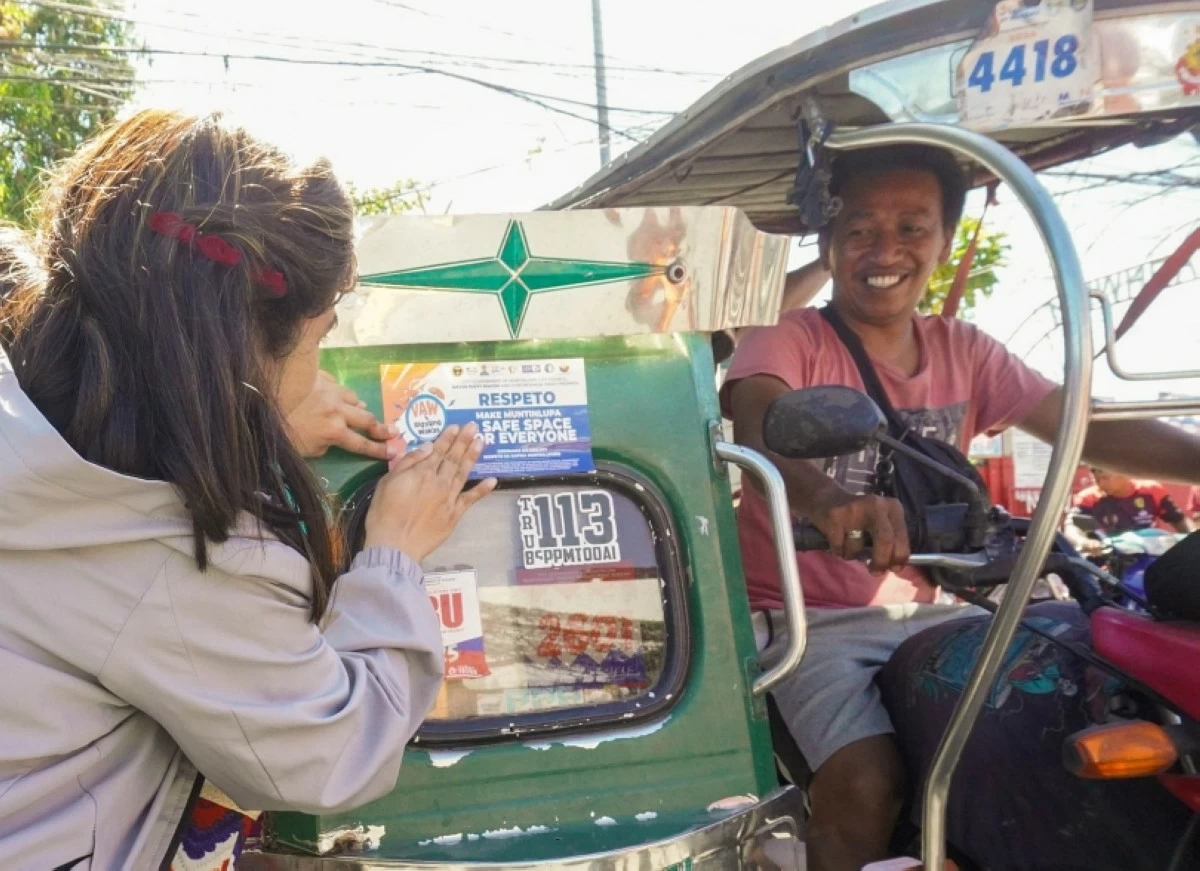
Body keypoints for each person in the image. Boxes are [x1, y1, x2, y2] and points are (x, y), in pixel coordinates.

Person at [0, 109, 497, 871]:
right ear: (240, 345)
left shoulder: (33, 410)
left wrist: (236, 423)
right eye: (320, 334)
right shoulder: (168, 551)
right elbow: (329, 752)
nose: (316, 369)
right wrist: (393, 553)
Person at [723, 144, 1200, 871]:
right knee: (868, 782)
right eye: (861, 230)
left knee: (1083, 700)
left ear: (944, 241)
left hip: (948, 608)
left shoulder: (967, 349)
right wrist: (828, 499)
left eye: (912, 228)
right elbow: (757, 425)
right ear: (829, 243)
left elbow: (1087, 424)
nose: (886, 250)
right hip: (810, 622)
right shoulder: (790, 337)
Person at [1067, 467, 1192, 553]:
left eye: (1105, 478)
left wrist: (1193, 538)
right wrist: (1084, 542)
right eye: (1097, 479)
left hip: (1149, 555)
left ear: (1123, 473)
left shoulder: (1151, 490)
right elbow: (1071, 527)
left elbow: (1179, 519)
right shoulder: (1088, 498)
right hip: (1106, 560)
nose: (1101, 484)